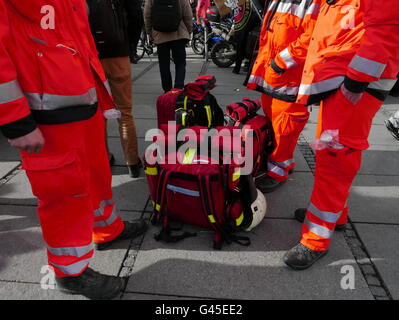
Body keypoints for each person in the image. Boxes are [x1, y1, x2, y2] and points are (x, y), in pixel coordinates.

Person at [0, 0, 147, 299]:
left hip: (82, 102)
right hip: (45, 113)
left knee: (95, 174)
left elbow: (77, 39)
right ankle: (71, 271)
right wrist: (16, 120)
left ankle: (107, 228)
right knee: (63, 192)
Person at [284, 0, 399, 270]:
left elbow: (387, 28)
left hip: (354, 84)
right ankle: (335, 216)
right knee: (331, 153)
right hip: (345, 81)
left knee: (337, 157)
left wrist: (356, 80)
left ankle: (315, 239)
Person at [246, 0, 320, 193]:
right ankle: (276, 161)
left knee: (286, 126)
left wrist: (280, 62)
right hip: (276, 75)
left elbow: (311, 37)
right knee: (273, 122)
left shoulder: (312, 2)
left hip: (291, 78)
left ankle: (279, 169)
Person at [88, 0, 143, 178]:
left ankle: (103, 158)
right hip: (118, 52)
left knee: (98, 113)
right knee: (125, 111)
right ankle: (132, 162)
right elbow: (135, 16)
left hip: (92, 56)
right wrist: (130, 46)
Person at [144, 0, 193, 93]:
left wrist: (149, 32)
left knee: (164, 64)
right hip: (178, 34)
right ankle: (178, 87)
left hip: (159, 35)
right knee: (180, 62)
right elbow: (188, 14)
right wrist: (189, 30)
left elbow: (147, 14)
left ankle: (167, 90)